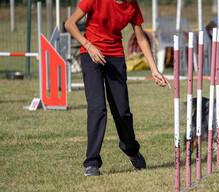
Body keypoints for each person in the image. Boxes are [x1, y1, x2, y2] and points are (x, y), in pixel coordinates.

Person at [65, 0, 171, 176]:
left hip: (115, 56)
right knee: (97, 108)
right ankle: (92, 162)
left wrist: (154, 69)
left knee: (122, 111)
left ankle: (131, 149)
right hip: (90, 54)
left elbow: (141, 37)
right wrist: (89, 46)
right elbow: (70, 24)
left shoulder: (132, 5)